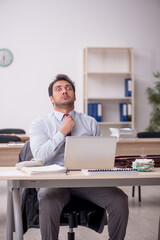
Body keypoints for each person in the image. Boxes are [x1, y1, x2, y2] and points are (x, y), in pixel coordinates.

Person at [30, 74, 129, 240]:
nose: (64, 91)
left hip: (87, 182)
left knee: (119, 199)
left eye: (68, 88)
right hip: (54, 183)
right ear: (51, 99)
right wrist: (62, 132)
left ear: (74, 96)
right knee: (47, 199)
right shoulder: (39, 124)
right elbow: (40, 157)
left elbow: (101, 156)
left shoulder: (89, 122)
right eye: (58, 89)